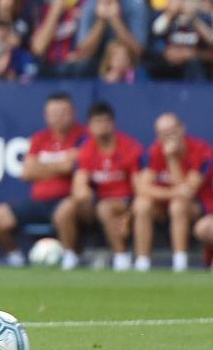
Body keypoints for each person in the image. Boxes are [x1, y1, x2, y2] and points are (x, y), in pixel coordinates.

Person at [0, 93, 86, 266]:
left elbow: (71, 167)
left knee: (65, 211)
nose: (58, 118)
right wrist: (61, 164)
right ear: (46, 116)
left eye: (63, 113)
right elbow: (27, 172)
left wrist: (43, 166)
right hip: (39, 201)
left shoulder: (83, 136)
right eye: (53, 113)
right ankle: (15, 257)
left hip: (67, 199)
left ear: (73, 113)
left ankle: (70, 258)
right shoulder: (40, 138)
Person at [52, 102, 144, 271]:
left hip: (123, 201)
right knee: (65, 209)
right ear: (90, 126)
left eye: (105, 121)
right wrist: (83, 194)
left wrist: (130, 214)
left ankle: (121, 257)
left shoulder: (130, 147)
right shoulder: (87, 150)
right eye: (97, 122)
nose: (101, 126)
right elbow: (79, 183)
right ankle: (70, 256)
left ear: (112, 123)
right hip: (95, 203)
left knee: (105, 208)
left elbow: (140, 187)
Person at [133, 113, 212, 272]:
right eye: (163, 133)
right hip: (164, 204)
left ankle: (180, 262)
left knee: (178, 206)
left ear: (182, 128)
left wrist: (172, 159)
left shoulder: (202, 151)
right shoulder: (153, 151)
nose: (168, 137)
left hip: (199, 207)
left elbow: (188, 193)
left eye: (172, 131)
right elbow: (143, 188)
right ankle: (142, 262)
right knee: (141, 204)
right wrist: (173, 193)